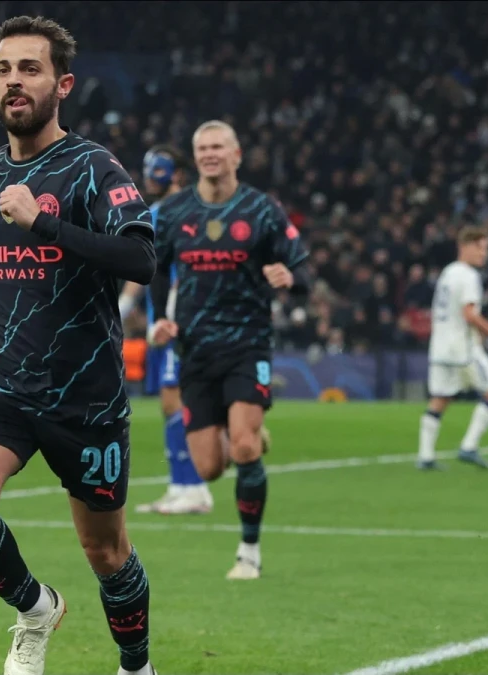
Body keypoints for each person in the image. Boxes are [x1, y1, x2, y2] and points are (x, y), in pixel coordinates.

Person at [0, 16, 158, 675]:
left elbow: (141, 258)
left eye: (29, 69)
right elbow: (7, 267)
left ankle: (136, 666)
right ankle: (35, 608)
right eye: (4, 70)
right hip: (4, 381)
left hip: (84, 394)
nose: (14, 82)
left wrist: (46, 219)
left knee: (107, 553)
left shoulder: (92, 166)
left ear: (62, 84)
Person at [147, 120, 311, 580]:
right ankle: (250, 434)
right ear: (195, 157)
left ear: (237, 154)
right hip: (194, 350)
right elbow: (157, 269)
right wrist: (161, 317)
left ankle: (249, 553)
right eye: (202, 148)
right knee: (209, 467)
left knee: (241, 447)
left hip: (246, 345)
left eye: (218, 146)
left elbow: (303, 271)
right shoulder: (176, 210)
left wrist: (290, 280)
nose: (210, 154)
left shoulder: (263, 210)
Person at [118, 145, 214, 515]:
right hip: (162, 323)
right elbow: (144, 270)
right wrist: (123, 308)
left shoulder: (187, 212)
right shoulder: (156, 213)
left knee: (176, 400)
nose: (148, 176)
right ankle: (183, 486)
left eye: (156, 169)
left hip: (182, 322)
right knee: (169, 402)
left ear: (176, 174)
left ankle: (192, 487)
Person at [417, 226, 488, 471]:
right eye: (479, 248)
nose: (483, 254)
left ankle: (425, 457)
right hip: (463, 349)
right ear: (464, 247)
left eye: (485, 249)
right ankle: (468, 447)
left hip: (440, 347)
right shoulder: (469, 276)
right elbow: (469, 313)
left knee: (440, 399)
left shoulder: (448, 273)